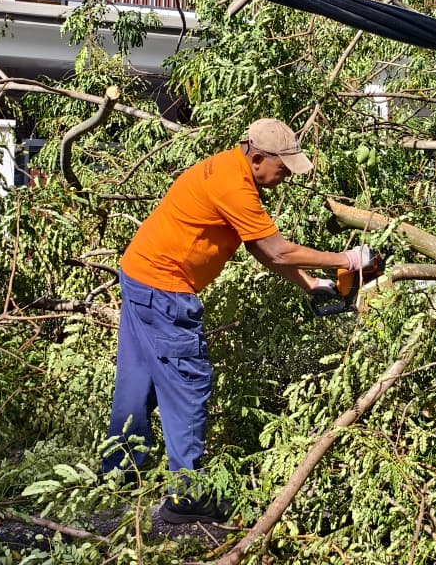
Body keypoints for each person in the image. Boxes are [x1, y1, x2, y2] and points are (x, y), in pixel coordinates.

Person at [101, 118, 372, 524]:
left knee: (137, 380)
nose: (285, 177)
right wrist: (347, 260)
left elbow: (260, 249)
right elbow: (279, 250)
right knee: (188, 386)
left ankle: (120, 474)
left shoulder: (230, 167)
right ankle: (186, 498)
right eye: (283, 168)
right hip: (167, 291)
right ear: (259, 157)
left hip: (141, 276)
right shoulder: (235, 186)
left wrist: (311, 283)